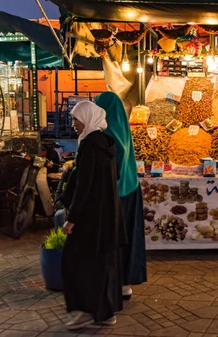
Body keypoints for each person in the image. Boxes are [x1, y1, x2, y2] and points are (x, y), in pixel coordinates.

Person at [61, 101, 126, 331]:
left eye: (76, 119)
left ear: (87, 119)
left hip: (90, 218)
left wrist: (72, 219)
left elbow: (83, 186)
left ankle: (88, 311)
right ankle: (104, 312)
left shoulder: (89, 145)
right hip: (106, 215)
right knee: (99, 265)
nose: (73, 124)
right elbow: (114, 175)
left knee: (77, 263)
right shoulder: (107, 143)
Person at [95, 92, 147, 300]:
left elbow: (113, 163)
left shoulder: (109, 132)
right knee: (128, 240)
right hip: (130, 189)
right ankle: (125, 283)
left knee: (114, 240)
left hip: (116, 194)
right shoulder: (123, 129)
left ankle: (116, 284)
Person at [52, 160, 75, 229]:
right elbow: (59, 191)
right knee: (59, 215)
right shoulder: (67, 173)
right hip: (67, 207)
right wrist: (59, 204)